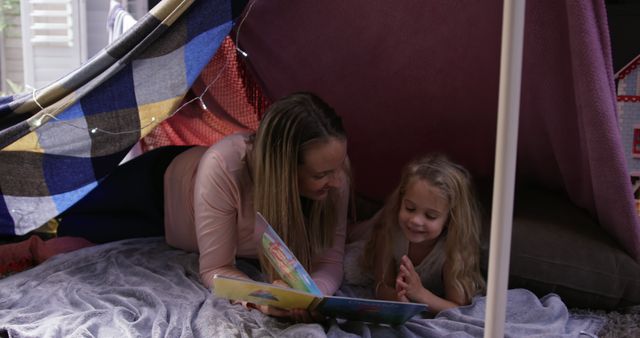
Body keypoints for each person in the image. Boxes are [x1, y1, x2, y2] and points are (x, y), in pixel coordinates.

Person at [56, 91, 351, 321]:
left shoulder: (335, 170)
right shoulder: (225, 166)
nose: (337, 181)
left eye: (338, 169)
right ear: (283, 172)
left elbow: (330, 262)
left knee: (73, 232)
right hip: (157, 188)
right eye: (321, 175)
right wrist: (264, 298)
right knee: (61, 208)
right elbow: (216, 268)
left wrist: (310, 297)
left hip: (166, 230)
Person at [361, 154, 485, 314]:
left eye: (430, 216)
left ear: (449, 219)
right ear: (400, 202)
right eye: (410, 208)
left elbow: (459, 308)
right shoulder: (389, 233)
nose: (416, 220)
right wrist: (397, 299)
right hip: (376, 229)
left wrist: (420, 294)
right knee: (360, 232)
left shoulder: (452, 250)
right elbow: (381, 285)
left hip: (430, 295)